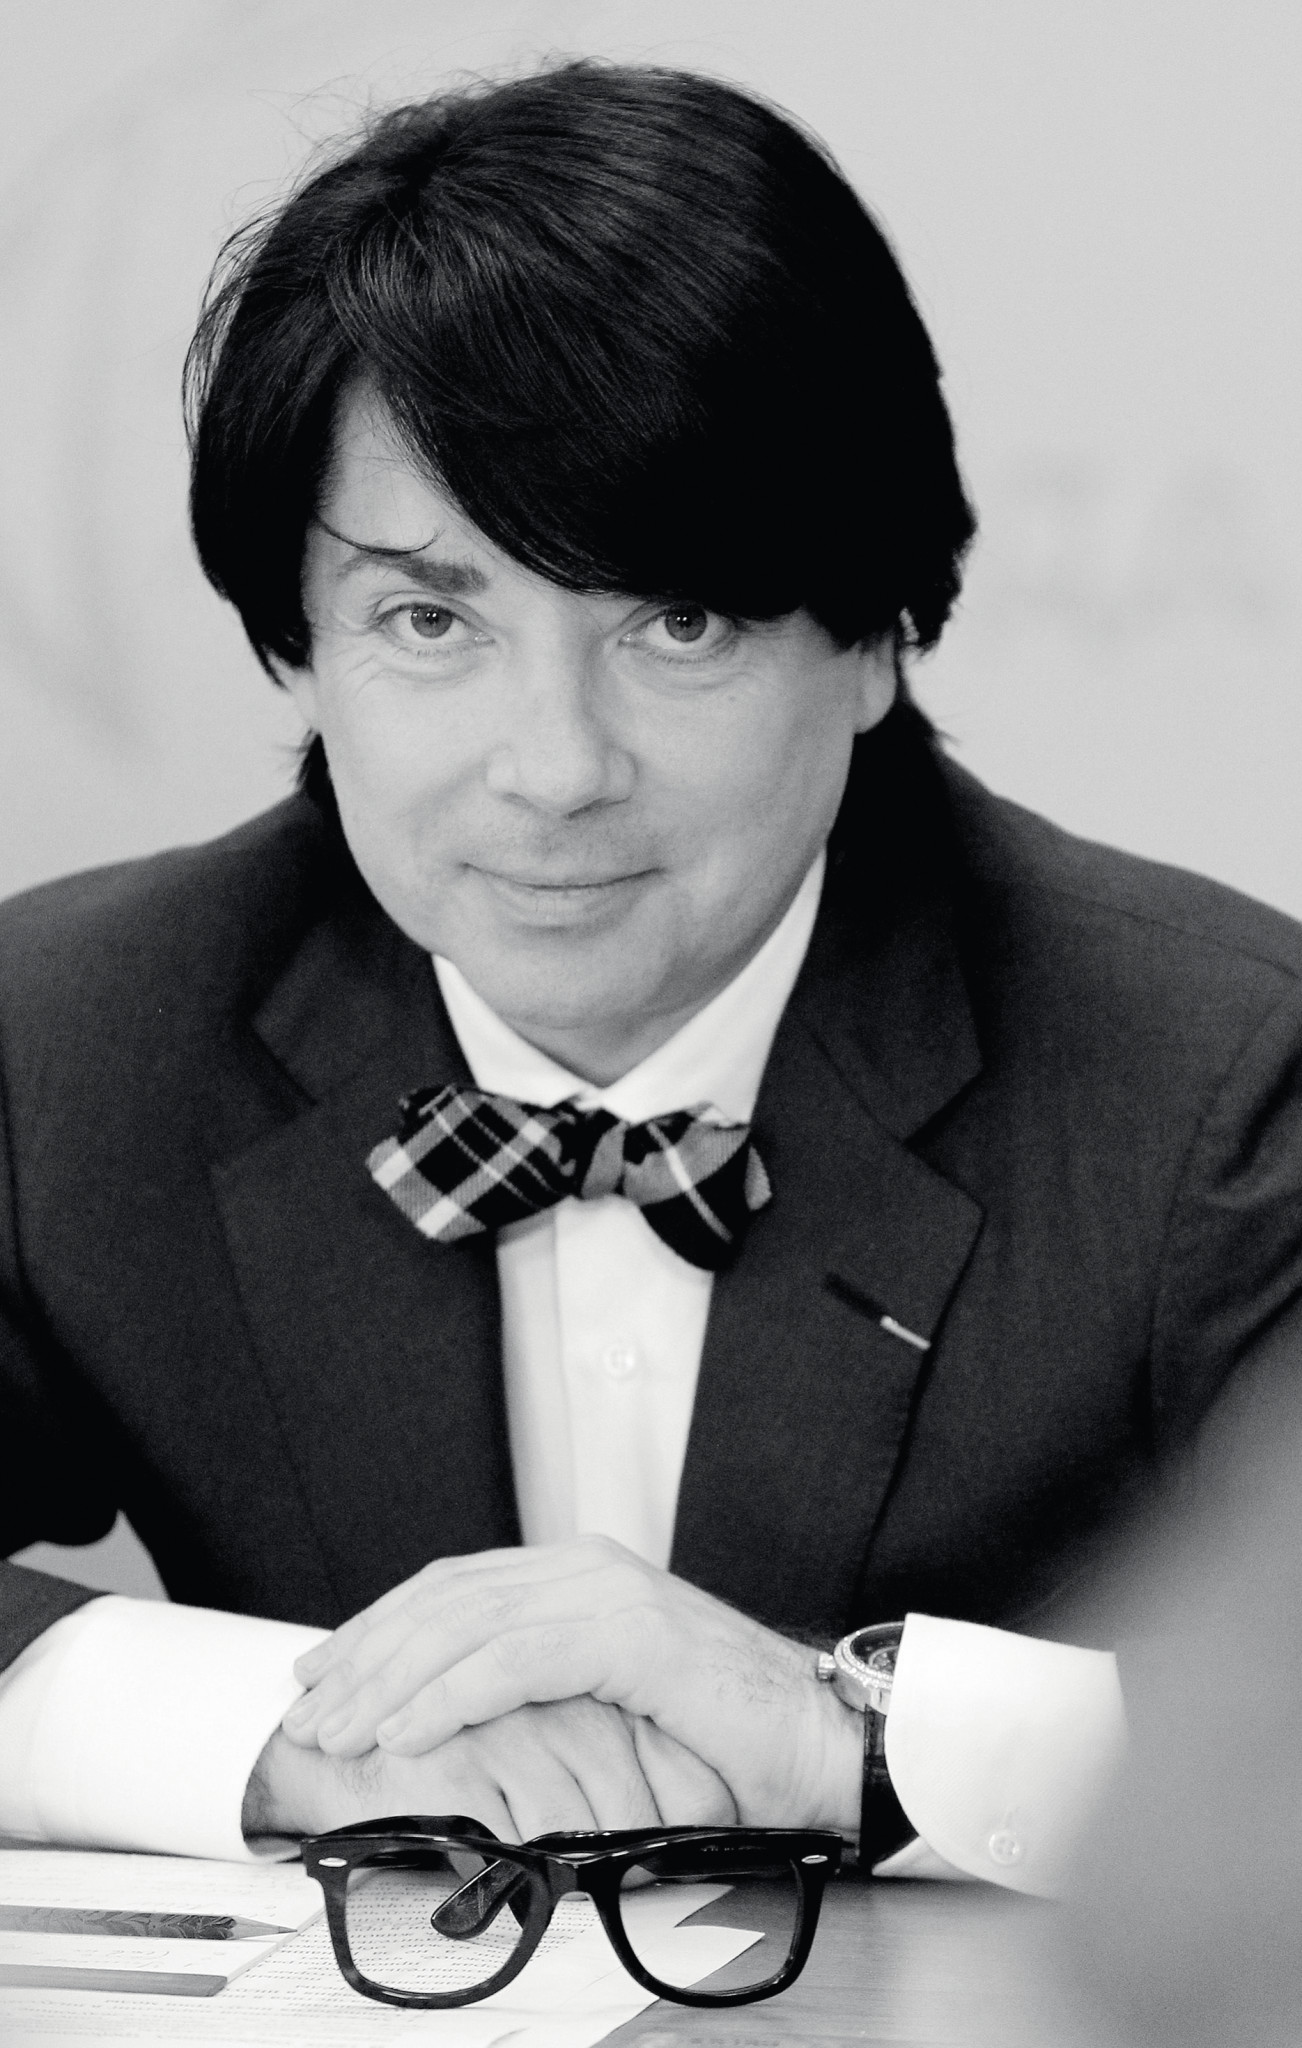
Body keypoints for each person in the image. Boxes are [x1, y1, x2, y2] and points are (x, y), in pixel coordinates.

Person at [2, 59, 1300, 1886]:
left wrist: (849, 1737)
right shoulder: (70, 1039)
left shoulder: (1220, 1083)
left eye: (676, 622)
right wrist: (290, 1736)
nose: (553, 768)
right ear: (293, 647)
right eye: (428, 618)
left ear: (876, 637)